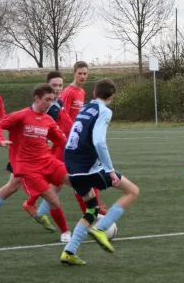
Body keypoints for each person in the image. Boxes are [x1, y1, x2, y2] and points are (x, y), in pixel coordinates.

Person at [60, 78, 140, 266]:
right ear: (111, 96)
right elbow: (98, 141)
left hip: (72, 166)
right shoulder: (104, 111)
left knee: (92, 208)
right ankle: (101, 228)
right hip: (88, 168)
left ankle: (69, 251)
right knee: (133, 191)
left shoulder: (85, 108)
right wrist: (110, 170)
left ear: (94, 94)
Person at [0, 84, 72, 243]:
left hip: (44, 160)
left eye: (53, 99)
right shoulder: (22, 115)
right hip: (24, 163)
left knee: (75, 181)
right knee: (15, 187)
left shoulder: (48, 118)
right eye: (47, 99)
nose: (50, 102)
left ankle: (92, 215)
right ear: (37, 98)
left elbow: (62, 140)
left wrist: (79, 151)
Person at [60, 60, 106, 210]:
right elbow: (63, 114)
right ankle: (92, 209)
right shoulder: (68, 92)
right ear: (74, 73)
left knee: (84, 174)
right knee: (78, 176)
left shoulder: (82, 92)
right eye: (80, 73)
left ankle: (94, 207)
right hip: (71, 141)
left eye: (85, 73)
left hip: (81, 140)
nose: (82, 76)